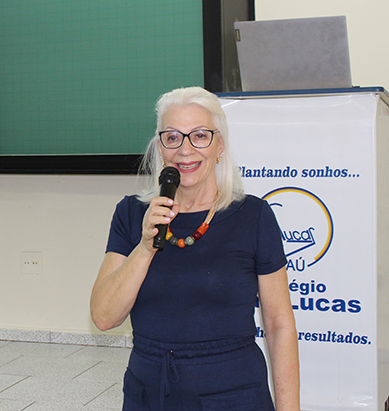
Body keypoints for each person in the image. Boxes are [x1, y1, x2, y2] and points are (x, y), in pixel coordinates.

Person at [90, 87, 300, 411]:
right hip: (150, 393)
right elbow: (104, 317)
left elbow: (279, 324)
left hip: (234, 394)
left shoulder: (253, 216)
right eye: (172, 137)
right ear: (160, 148)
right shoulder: (132, 214)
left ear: (220, 146)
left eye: (200, 135)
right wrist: (145, 248)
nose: (185, 150)